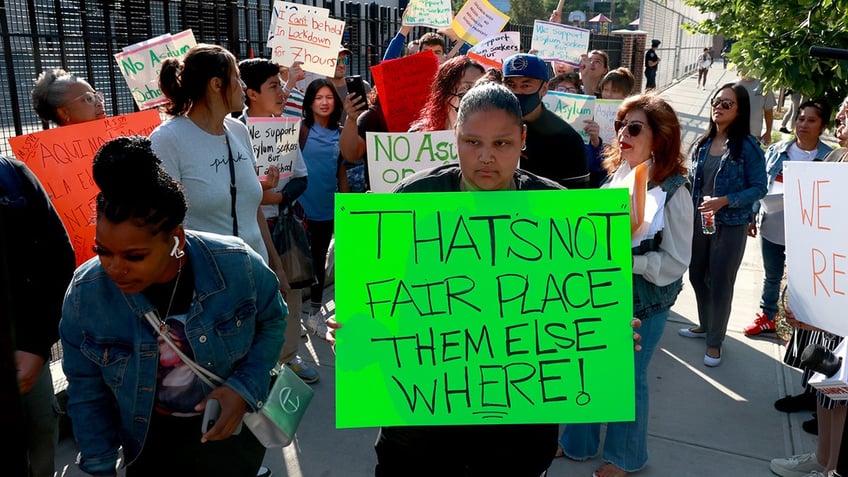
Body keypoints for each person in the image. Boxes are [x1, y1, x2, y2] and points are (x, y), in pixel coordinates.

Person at [373, 80, 643, 477]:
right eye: (472, 142)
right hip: (423, 418)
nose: (485, 157)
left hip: (516, 424)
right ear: (456, 139)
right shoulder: (414, 199)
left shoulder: (556, 211)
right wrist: (357, 324)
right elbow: (381, 293)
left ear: (522, 139)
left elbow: (579, 302)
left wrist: (608, 330)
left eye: (501, 144)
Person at [59, 136, 286, 477]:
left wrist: (243, 389)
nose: (115, 267)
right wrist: (100, 466)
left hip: (233, 437)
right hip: (148, 444)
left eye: (134, 256)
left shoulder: (237, 265)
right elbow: (85, 390)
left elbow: (274, 320)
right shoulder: (85, 294)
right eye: (102, 251)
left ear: (175, 239)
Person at [558, 94, 693, 477]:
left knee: (629, 378)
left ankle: (626, 456)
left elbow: (677, 262)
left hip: (644, 302)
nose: (623, 134)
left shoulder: (674, 190)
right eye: (620, 126)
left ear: (661, 136)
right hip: (602, 294)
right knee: (590, 367)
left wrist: (630, 263)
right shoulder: (619, 174)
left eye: (634, 128)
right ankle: (576, 442)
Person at [150, 44, 290, 293]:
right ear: (216, 84)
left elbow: (251, 208)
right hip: (207, 290)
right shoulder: (167, 139)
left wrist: (276, 266)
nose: (243, 86)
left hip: (257, 277)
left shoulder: (239, 130)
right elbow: (164, 226)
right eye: (236, 77)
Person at [238, 57, 319, 384]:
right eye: (274, 85)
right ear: (251, 93)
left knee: (291, 295)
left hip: (284, 228)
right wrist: (257, 195)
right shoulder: (235, 132)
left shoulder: (283, 127)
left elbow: (301, 178)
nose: (282, 91)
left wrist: (281, 197)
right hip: (247, 231)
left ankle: (289, 358)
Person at [678, 83, 767, 367]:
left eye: (727, 104)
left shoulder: (748, 146)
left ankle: (715, 342)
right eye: (717, 102)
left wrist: (726, 200)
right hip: (701, 221)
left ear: (740, 110)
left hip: (730, 225)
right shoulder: (703, 144)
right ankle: (705, 325)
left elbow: (759, 188)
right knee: (696, 274)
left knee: (720, 283)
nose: (719, 107)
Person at [0, 155, 75, 477]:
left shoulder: (12, 176)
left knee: (40, 433)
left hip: (23, 349)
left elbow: (57, 258)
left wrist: (35, 346)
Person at [744, 100, 832, 337]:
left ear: (822, 126)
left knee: (802, 281)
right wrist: (752, 213)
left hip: (806, 230)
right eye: (800, 118)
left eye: (811, 120)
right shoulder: (777, 150)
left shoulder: (829, 158)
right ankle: (767, 317)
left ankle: (801, 328)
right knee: (771, 275)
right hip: (772, 224)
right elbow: (761, 184)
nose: (803, 124)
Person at [298, 78, 364, 343]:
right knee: (299, 265)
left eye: (329, 97)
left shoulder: (341, 133)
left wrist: (346, 207)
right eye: (318, 98)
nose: (324, 102)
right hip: (299, 211)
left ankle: (314, 313)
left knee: (318, 262)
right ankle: (294, 317)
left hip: (327, 209)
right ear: (310, 103)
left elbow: (343, 171)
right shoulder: (300, 131)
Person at [502, 53, 590, 189]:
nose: (517, 92)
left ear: (544, 88)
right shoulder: (492, 129)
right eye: (510, 85)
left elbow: (575, 200)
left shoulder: (568, 139)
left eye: (526, 86)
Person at [583, 67, 636, 188]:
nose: (608, 94)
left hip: (620, 171)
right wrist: (595, 141)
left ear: (626, 95)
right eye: (606, 89)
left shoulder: (633, 116)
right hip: (597, 174)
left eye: (615, 91)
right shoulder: (596, 110)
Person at [408, 55, 485, 132]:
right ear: (445, 91)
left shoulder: (489, 133)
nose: (474, 94)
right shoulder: (419, 133)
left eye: (479, 87)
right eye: (466, 88)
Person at [31, 68, 106, 126]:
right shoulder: (56, 145)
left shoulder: (114, 139)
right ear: (64, 113)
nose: (99, 103)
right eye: (89, 98)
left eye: (97, 96)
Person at [737, 72, 777, 145]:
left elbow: (768, 111)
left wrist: (768, 132)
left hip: (754, 138)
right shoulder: (731, 86)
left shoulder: (764, 86)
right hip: (733, 136)